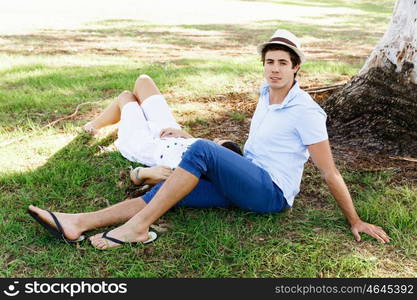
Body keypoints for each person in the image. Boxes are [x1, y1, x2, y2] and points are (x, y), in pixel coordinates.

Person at [28, 29, 390, 249]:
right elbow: (256, 148)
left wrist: (355, 220)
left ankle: (136, 228)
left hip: (271, 193)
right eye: (269, 62)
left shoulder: (307, 111)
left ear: (297, 67)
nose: (275, 69)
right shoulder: (267, 94)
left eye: (283, 62)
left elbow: (330, 173)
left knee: (202, 151)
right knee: (168, 194)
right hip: (248, 175)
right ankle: (79, 222)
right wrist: (193, 139)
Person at [83, 74, 242, 185]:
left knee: (126, 97)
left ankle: (94, 126)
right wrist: (185, 135)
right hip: (173, 134)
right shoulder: (205, 151)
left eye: (215, 144)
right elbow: (198, 146)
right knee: (143, 81)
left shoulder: (191, 171)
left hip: (145, 144)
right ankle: (131, 118)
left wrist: (146, 173)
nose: (212, 142)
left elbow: (139, 177)